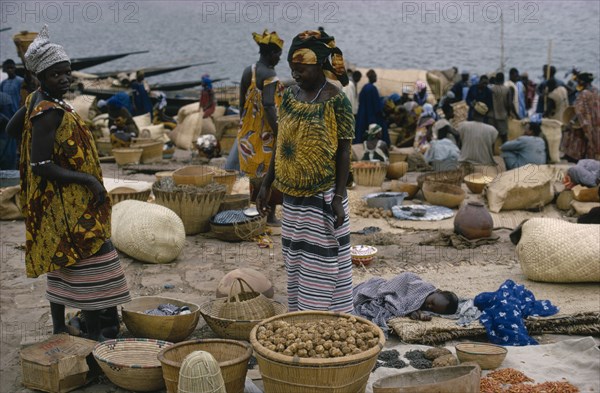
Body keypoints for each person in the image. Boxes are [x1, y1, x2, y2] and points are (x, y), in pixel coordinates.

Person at [6, 25, 130, 341]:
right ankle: (93, 331)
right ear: (39, 77)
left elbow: (10, 129)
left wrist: (30, 109)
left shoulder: (39, 100)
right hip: (63, 200)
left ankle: (62, 328)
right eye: (55, 75)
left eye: (67, 73)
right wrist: (89, 180)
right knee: (88, 256)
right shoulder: (46, 111)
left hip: (50, 201)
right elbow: (41, 164)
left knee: (60, 260)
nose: (64, 79)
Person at [256, 29, 354, 313]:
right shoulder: (289, 96)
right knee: (296, 260)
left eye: (301, 69)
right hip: (293, 198)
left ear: (320, 65)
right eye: (292, 69)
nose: (296, 74)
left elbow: (345, 151)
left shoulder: (337, 100)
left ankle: (331, 318)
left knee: (325, 262)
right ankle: (303, 316)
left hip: (323, 197)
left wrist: (338, 197)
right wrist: (266, 183)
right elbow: (282, 140)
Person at [237, 30, 285, 225]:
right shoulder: (270, 74)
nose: (279, 59)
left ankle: (259, 212)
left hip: (249, 133)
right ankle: (270, 215)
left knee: (256, 173)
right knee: (270, 173)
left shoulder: (250, 71)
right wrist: (279, 131)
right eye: (278, 55)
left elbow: (241, 102)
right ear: (271, 53)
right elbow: (268, 105)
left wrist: (246, 126)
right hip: (266, 133)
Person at [353, 272, 460, 334]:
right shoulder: (420, 285)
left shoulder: (424, 310)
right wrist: (410, 311)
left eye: (432, 309)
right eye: (432, 302)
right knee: (359, 298)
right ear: (437, 291)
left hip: (390, 300)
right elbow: (397, 284)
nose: (429, 306)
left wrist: (414, 312)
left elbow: (408, 307)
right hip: (379, 287)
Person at [560, 72, 600, 161]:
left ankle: (575, 159)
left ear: (583, 82)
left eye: (579, 81)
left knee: (576, 139)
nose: (578, 83)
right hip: (594, 122)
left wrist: (571, 122)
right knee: (591, 142)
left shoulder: (584, 94)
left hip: (583, 123)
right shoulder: (596, 91)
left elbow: (579, 111)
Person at [355, 69, 389, 144]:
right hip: (372, 115)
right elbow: (377, 106)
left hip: (363, 115)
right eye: (375, 76)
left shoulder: (364, 87)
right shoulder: (373, 89)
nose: (376, 78)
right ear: (372, 77)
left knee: (361, 131)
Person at [490, 72, 517, 143]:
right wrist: (509, 113)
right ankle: (505, 152)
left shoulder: (491, 89)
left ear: (496, 79)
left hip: (492, 116)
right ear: (503, 79)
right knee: (504, 137)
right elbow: (509, 104)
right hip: (502, 115)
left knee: (492, 137)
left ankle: (491, 152)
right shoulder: (507, 90)